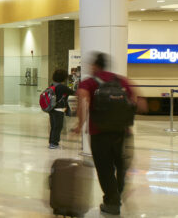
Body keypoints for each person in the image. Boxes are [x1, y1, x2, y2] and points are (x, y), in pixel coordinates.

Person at [72, 52, 137, 216]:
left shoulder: (88, 83)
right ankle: (117, 195)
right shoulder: (121, 80)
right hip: (122, 132)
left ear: (94, 66)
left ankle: (112, 201)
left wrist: (80, 125)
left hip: (99, 133)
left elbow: (83, 101)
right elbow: (138, 102)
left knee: (104, 168)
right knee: (121, 166)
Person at [47, 68, 74, 149]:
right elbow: (74, 92)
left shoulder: (52, 85)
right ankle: (54, 143)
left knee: (53, 126)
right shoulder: (62, 87)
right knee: (58, 126)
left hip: (51, 109)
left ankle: (52, 142)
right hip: (59, 109)